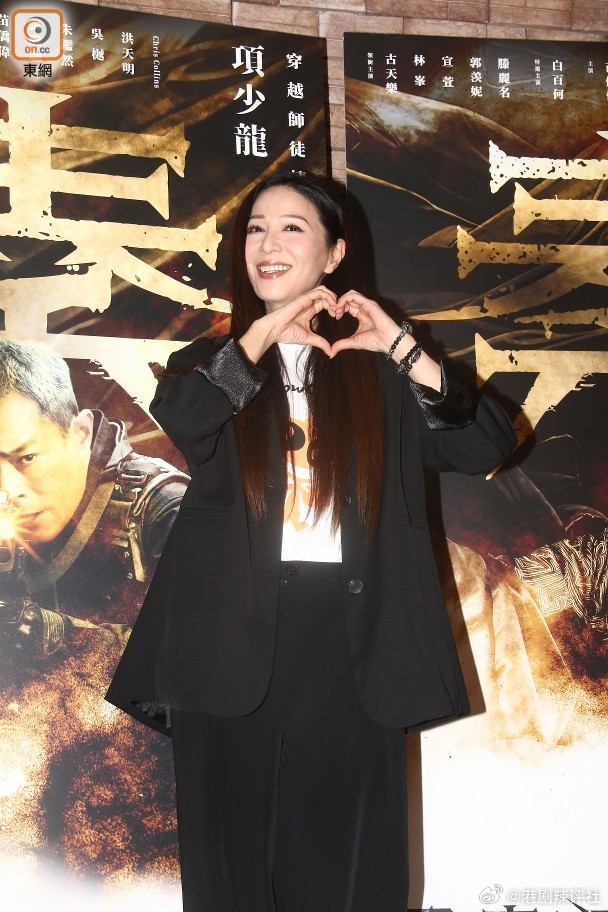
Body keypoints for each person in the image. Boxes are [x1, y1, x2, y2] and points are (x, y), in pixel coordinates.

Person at [107, 172, 516, 911]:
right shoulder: (214, 365)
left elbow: (487, 444)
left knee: (348, 872)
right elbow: (187, 418)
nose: (267, 243)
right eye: (255, 229)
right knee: (230, 869)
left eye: (292, 227)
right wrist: (263, 333)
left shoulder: (381, 375)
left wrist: (402, 347)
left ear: (335, 254)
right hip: (229, 637)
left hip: (353, 639)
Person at [0, 339, 188, 876]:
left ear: (80, 432)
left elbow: (210, 683)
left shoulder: (164, 512)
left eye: (25, 458)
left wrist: (53, 636)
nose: (7, 490)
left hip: (146, 836)